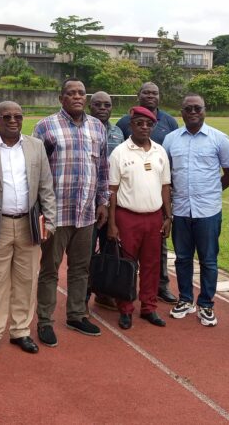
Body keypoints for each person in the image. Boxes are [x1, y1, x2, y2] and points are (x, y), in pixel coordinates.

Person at [0, 101, 57, 360]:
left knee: (26, 279)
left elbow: (46, 187)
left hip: (28, 224)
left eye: (18, 116)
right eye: (6, 116)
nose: (13, 121)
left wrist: (50, 222)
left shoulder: (36, 146)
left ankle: (20, 330)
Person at [33, 78, 109, 347]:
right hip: (56, 213)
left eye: (81, 93)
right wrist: (40, 209)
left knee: (80, 268)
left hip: (86, 211)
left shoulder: (97, 127)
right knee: (50, 269)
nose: (77, 97)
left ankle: (76, 314)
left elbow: (102, 170)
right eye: (71, 93)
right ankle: (44, 320)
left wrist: (103, 202)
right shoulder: (46, 126)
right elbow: (35, 169)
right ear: (61, 98)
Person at [163, 94, 229, 327]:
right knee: (183, 258)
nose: (193, 112)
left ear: (205, 110)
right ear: (181, 112)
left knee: (209, 260)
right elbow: (166, 173)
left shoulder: (219, 139)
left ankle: (206, 303)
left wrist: (214, 190)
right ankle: (186, 299)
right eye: (188, 108)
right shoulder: (171, 139)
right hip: (182, 209)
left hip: (208, 210)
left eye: (197, 108)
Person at [107, 106, 172, 330]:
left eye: (149, 124)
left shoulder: (159, 151)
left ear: (153, 126)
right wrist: (112, 223)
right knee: (127, 265)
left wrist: (168, 216)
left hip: (154, 217)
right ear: (131, 125)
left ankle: (149, 307)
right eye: (139, 123)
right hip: (127, 217)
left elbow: (165, 186)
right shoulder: (119, 153)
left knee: (152, 265)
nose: (144, 127)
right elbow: (112, 190)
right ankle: (125, 309)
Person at [116, 82, 179, 304]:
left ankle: (159, 289)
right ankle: (124, 297)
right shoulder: (123, 123)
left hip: (156, 198)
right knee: (126, 257)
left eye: (155, 92)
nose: (151, 96)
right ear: (138, 95)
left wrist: (167, 211)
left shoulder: (169, 122)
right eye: (146, 92)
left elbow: (167, 172)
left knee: (157, 254)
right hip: (130, 202)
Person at [87, 91, 124, 311]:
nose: (103, 108)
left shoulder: (118, 132)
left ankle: (104, 292)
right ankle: (84, 294)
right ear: (90, 107)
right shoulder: (85, 129)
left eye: (107, 105)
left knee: (110, 248)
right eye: (98, 104)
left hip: (112, 201)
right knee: (88, 252)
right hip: (89, 203)